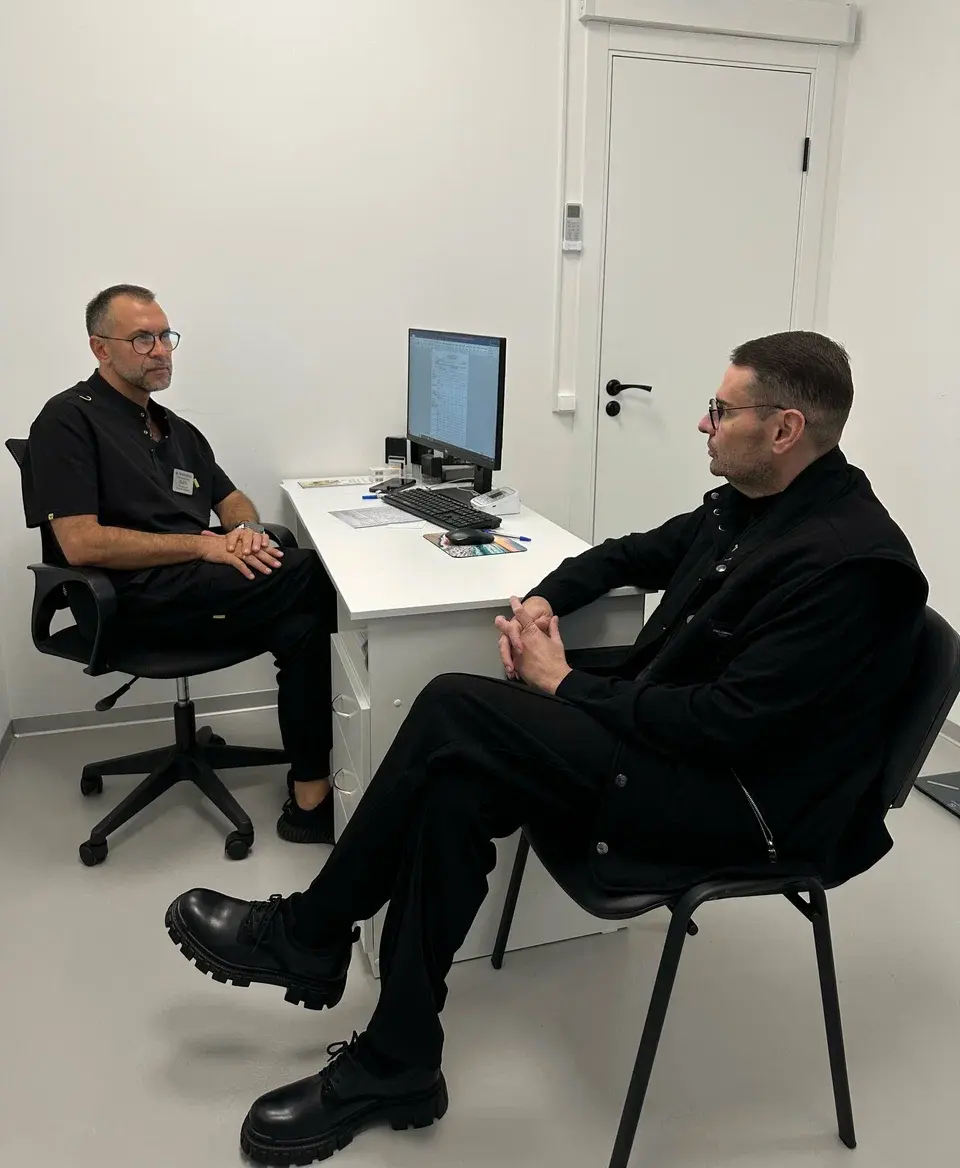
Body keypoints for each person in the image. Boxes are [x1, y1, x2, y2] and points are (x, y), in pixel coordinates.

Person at [164, 330, 927, 1165]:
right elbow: (632, 555)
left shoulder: (852, 565)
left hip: (742, 804)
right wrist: (540, 599)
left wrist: (563, 684)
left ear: (784, 429)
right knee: (455, 781)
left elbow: (727, 726)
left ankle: (312, 933)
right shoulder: (751, 503)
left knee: (455, 706)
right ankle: (397, 1061)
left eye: (721, 409)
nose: (703, 424)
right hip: (682, 749)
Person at [20, 284, 338, 843]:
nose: (161, 350)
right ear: (100, 348)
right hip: (128, 597)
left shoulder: (174, 429)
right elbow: (81, 544)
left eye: (166, 336)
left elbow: (231, 499)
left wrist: (244, 533)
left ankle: (310, 792)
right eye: (142, 339)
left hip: (193, 587)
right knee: (313, 573)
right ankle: (359, 755)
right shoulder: (67, 421)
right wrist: (205, 546)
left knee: (303, 623)